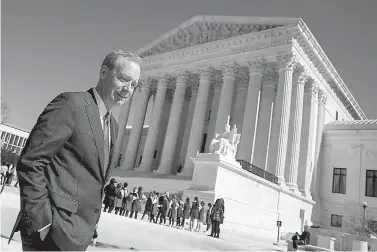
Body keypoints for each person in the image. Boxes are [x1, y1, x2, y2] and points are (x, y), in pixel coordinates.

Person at [9, 50, 141, 251]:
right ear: (103, 72)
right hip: (50, 233)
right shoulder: (71, 104)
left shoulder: (112, 125)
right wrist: (41, 221)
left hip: (78, 235)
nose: (128, 90)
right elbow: (31, 161)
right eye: (124, 79)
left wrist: (91, 228)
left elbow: (95, 179)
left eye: (134, 85)